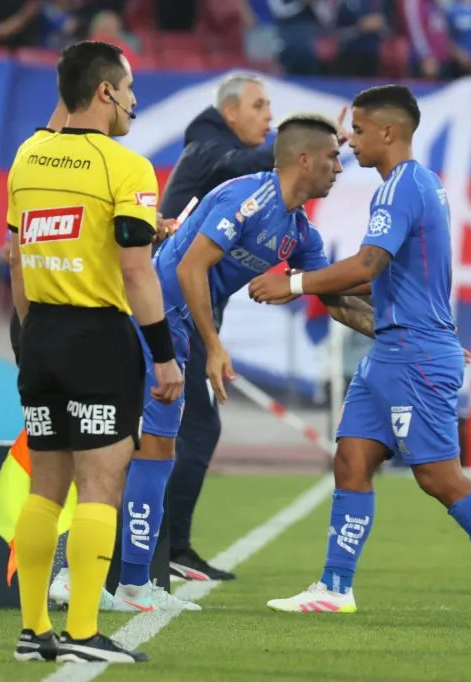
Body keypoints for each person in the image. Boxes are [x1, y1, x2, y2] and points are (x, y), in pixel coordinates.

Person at [250, 84, 471, 616]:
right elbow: (385, 275)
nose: (351, 144)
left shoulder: (401, 188)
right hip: (391, 351)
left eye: (359, 132)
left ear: (389, 132)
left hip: (415, 352)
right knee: (351, 459)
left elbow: (367, 266)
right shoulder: (417, 183)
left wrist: (295, 285)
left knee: (437, 475)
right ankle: (335, 587)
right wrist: (317, 283)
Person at [108, 112, 378, 614]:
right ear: (303, 160)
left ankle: (129, 584)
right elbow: (191, 266)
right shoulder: (248, 197)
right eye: (331, 158)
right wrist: (214, 345)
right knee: (139, 448)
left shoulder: (299, 233)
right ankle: (106, 580)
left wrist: (400, 326)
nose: (339, 169)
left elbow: (336, 298)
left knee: (158, 451)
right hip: (155, 320)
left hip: (181, 329)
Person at [7, 40, 183, 664]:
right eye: (129, 89)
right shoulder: (128, 167)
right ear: (105, 91)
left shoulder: (27, 157)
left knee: (44, 493)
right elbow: (137, 273)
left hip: (42, 336)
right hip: (97, 339)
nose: (135, 101)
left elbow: (18, 260)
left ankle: (34, 630)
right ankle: (82, 633)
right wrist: (163, 357)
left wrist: (30, 339)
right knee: (101, 490)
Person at [159, 72, 274, 583]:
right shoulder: (210, 150)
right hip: (167, 313)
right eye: (258, 106)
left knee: (178, 431)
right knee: (191, 429)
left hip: (177, 312)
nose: (267, 117)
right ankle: (163, 546)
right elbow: (245, 163)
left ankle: (161, 546)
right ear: (229, 112)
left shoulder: (213, 154)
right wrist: (302, 150)